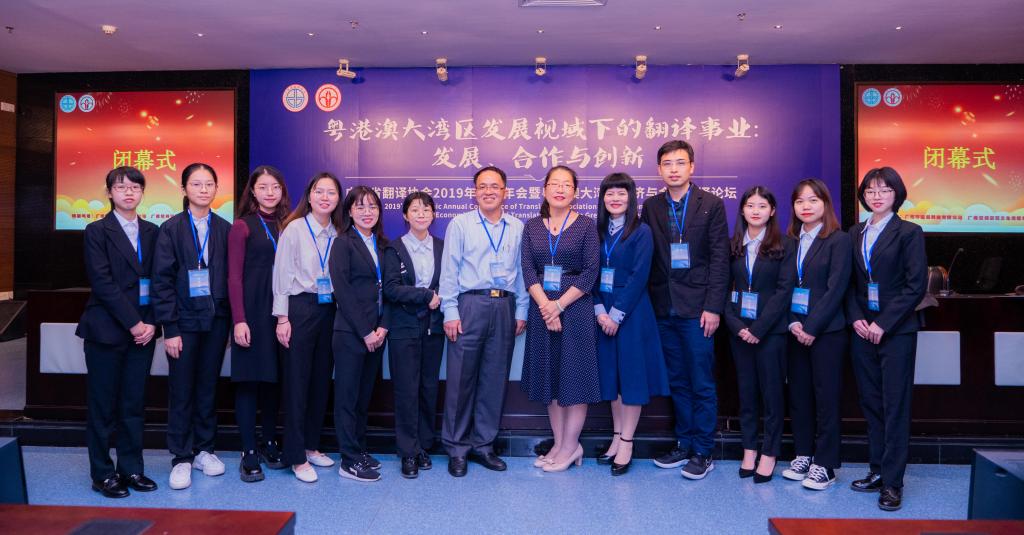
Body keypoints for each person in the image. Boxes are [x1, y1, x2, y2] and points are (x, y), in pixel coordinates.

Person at [641, 140, 729, 480]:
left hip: (698, 310)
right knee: (677, 380)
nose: (674, 169)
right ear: (659, 169)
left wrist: (713, 307)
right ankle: (684, 443)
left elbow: (720, 259)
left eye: (680, 162)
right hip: (664, 307)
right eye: (667, 163)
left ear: (692, 167)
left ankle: (703, 450)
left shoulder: (711, 204)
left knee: (701, 381)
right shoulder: (651, 206)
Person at [439, 166, 529, 478]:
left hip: (505, 305)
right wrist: (450, 311)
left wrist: (521, 310)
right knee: (460, 380)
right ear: (474, 192)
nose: (488, 191)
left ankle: (483, 444)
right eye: (482, 186)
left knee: (494, 378)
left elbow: (523, 271)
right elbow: (449, 270)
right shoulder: (461, 224)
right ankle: (457, 448)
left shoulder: (517, 226)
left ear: (506, 192)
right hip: (469, 304)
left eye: (495, 186)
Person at [846, 167, 927, 511]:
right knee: (871, 403)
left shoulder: (909, 232)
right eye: (870, 191)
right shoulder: (855, 232)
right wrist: (857, 318)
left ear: (897, 194)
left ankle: (893, 483)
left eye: (884, 190)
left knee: (895, 406)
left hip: (896, 332)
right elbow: (849, 283)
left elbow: (915, 285)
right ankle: (877, 470)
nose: (876, 196)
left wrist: (884, 323)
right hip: (862, 330)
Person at [77, 166, 160, 498]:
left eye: (135, 188)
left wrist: (152, 322)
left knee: (133, 404)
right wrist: (134, 322)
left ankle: (131, 468)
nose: (129, 192)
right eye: (121, 187)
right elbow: (102, 283)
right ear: (109, 192)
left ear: (142, 193)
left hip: (144, 333)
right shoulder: (97, 231)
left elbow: (160, 281)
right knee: (102, 406)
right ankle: (102, 473)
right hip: (107, 331)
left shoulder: (153, 231)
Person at [152, 162, 232, 490]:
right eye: (196, 184)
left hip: (216, 321)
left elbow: (231, 278)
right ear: (184, 189)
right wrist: (169, 328)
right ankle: (181, 456)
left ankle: (204, 450)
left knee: (207, 387)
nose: (203, 189)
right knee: (182, 388)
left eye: (209, 184)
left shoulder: (225, 228)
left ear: (216, 189)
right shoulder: (171, 229)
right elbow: (162, 281)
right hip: (183, 322)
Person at [520, 166, 601, 473]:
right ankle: (558, 443)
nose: (560, 189)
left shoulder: (586, 225)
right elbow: (528, 270)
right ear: (544, 190)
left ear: (575, 192)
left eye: (567, 185)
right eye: (554, 184)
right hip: (542, 308)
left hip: (576, 310)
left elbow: (590, 272)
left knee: (575, 378)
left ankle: (571, 446)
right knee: (550, 379)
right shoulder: (532, 226)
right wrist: (546, 307)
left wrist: (559, 306)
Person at [592, 173, 669, 476]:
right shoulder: (597, 231)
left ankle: (627, 442)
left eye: (621, 193)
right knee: (613, 379)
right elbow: (590, 272)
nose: (615, 199)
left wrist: (616, 314)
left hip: (632, 313)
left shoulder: (642, 231)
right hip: (603, 312)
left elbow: (639, 277)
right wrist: (600, 310)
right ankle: (615, 436)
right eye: (610, 193)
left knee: (632, 379)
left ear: (631, 197)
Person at [271, 172, 344, 483]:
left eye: (331, 192)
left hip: (330, 310)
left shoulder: (339, 232)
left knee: (320, 381)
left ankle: (311, 446)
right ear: (309, 196)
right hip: (299, 309)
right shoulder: (295, 228)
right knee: (297, 383)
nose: (325, 197)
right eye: (319, 191)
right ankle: (296, 455)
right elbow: (281, 274)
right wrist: (282, 318)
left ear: (338, 199)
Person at [781, 178, 852, 491]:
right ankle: (803, 454)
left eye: (813, 200)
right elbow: (782, 288)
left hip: (827, 332)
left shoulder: (839, 240)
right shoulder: (790, 241)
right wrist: (793, 323)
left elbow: (837, 289)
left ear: (825, 203)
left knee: (826, 398)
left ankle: (826, 463)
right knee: (799, 397)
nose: (806, 206)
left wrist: (812, 327)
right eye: (799, 201)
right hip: (794, 331)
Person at [722, 186, 795, 484]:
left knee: (772, 394)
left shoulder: (786, 245)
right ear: (742, 210)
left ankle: (769, 452)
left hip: (770, 333)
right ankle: (749, 449)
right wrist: (737, 326)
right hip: (739, 332)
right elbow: (722, 288)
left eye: (762, 206)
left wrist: (759, 329)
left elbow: (784, 291)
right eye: (750, 205)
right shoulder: (732, 245)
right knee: (747, 393)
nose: (756, 211)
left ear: (772, 211)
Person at [227, 165, 290, 482]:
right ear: (252, 191)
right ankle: (248, 449)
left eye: (275, 187)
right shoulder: (242, 226)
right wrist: (239, 320)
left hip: (281, 315)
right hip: (251, 314)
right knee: (249, 381)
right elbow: (233, 278)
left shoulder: (289, 224)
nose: (269, 192)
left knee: (273, 381)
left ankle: (268, 441)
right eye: (263, 187)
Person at [382, 192, 444, 479]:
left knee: (428, 386)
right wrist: (425, 295)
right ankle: (408, 451)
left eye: (426, 209)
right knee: (406, 389)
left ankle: (424, 446)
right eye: (415, 210)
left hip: (434, 327)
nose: (421, 214)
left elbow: (449, 282)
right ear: (405, 215)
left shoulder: (442, 247)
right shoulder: (393, 249)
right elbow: (391, 288)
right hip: (403, 327)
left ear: (433, 214)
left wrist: (437, 297)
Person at [330, 186, 389, 482]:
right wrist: (366, 332)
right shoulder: (342, 244)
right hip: (351, 333)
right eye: (360, 206)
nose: (367, 212)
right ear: (350, 211)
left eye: (373, 206)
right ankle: (348, 460)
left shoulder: (383, 245)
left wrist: (383, 327)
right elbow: (343, 292)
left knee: (363, 397)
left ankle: (360, 449)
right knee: (347, 397)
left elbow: (391, 288)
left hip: (378, 333)